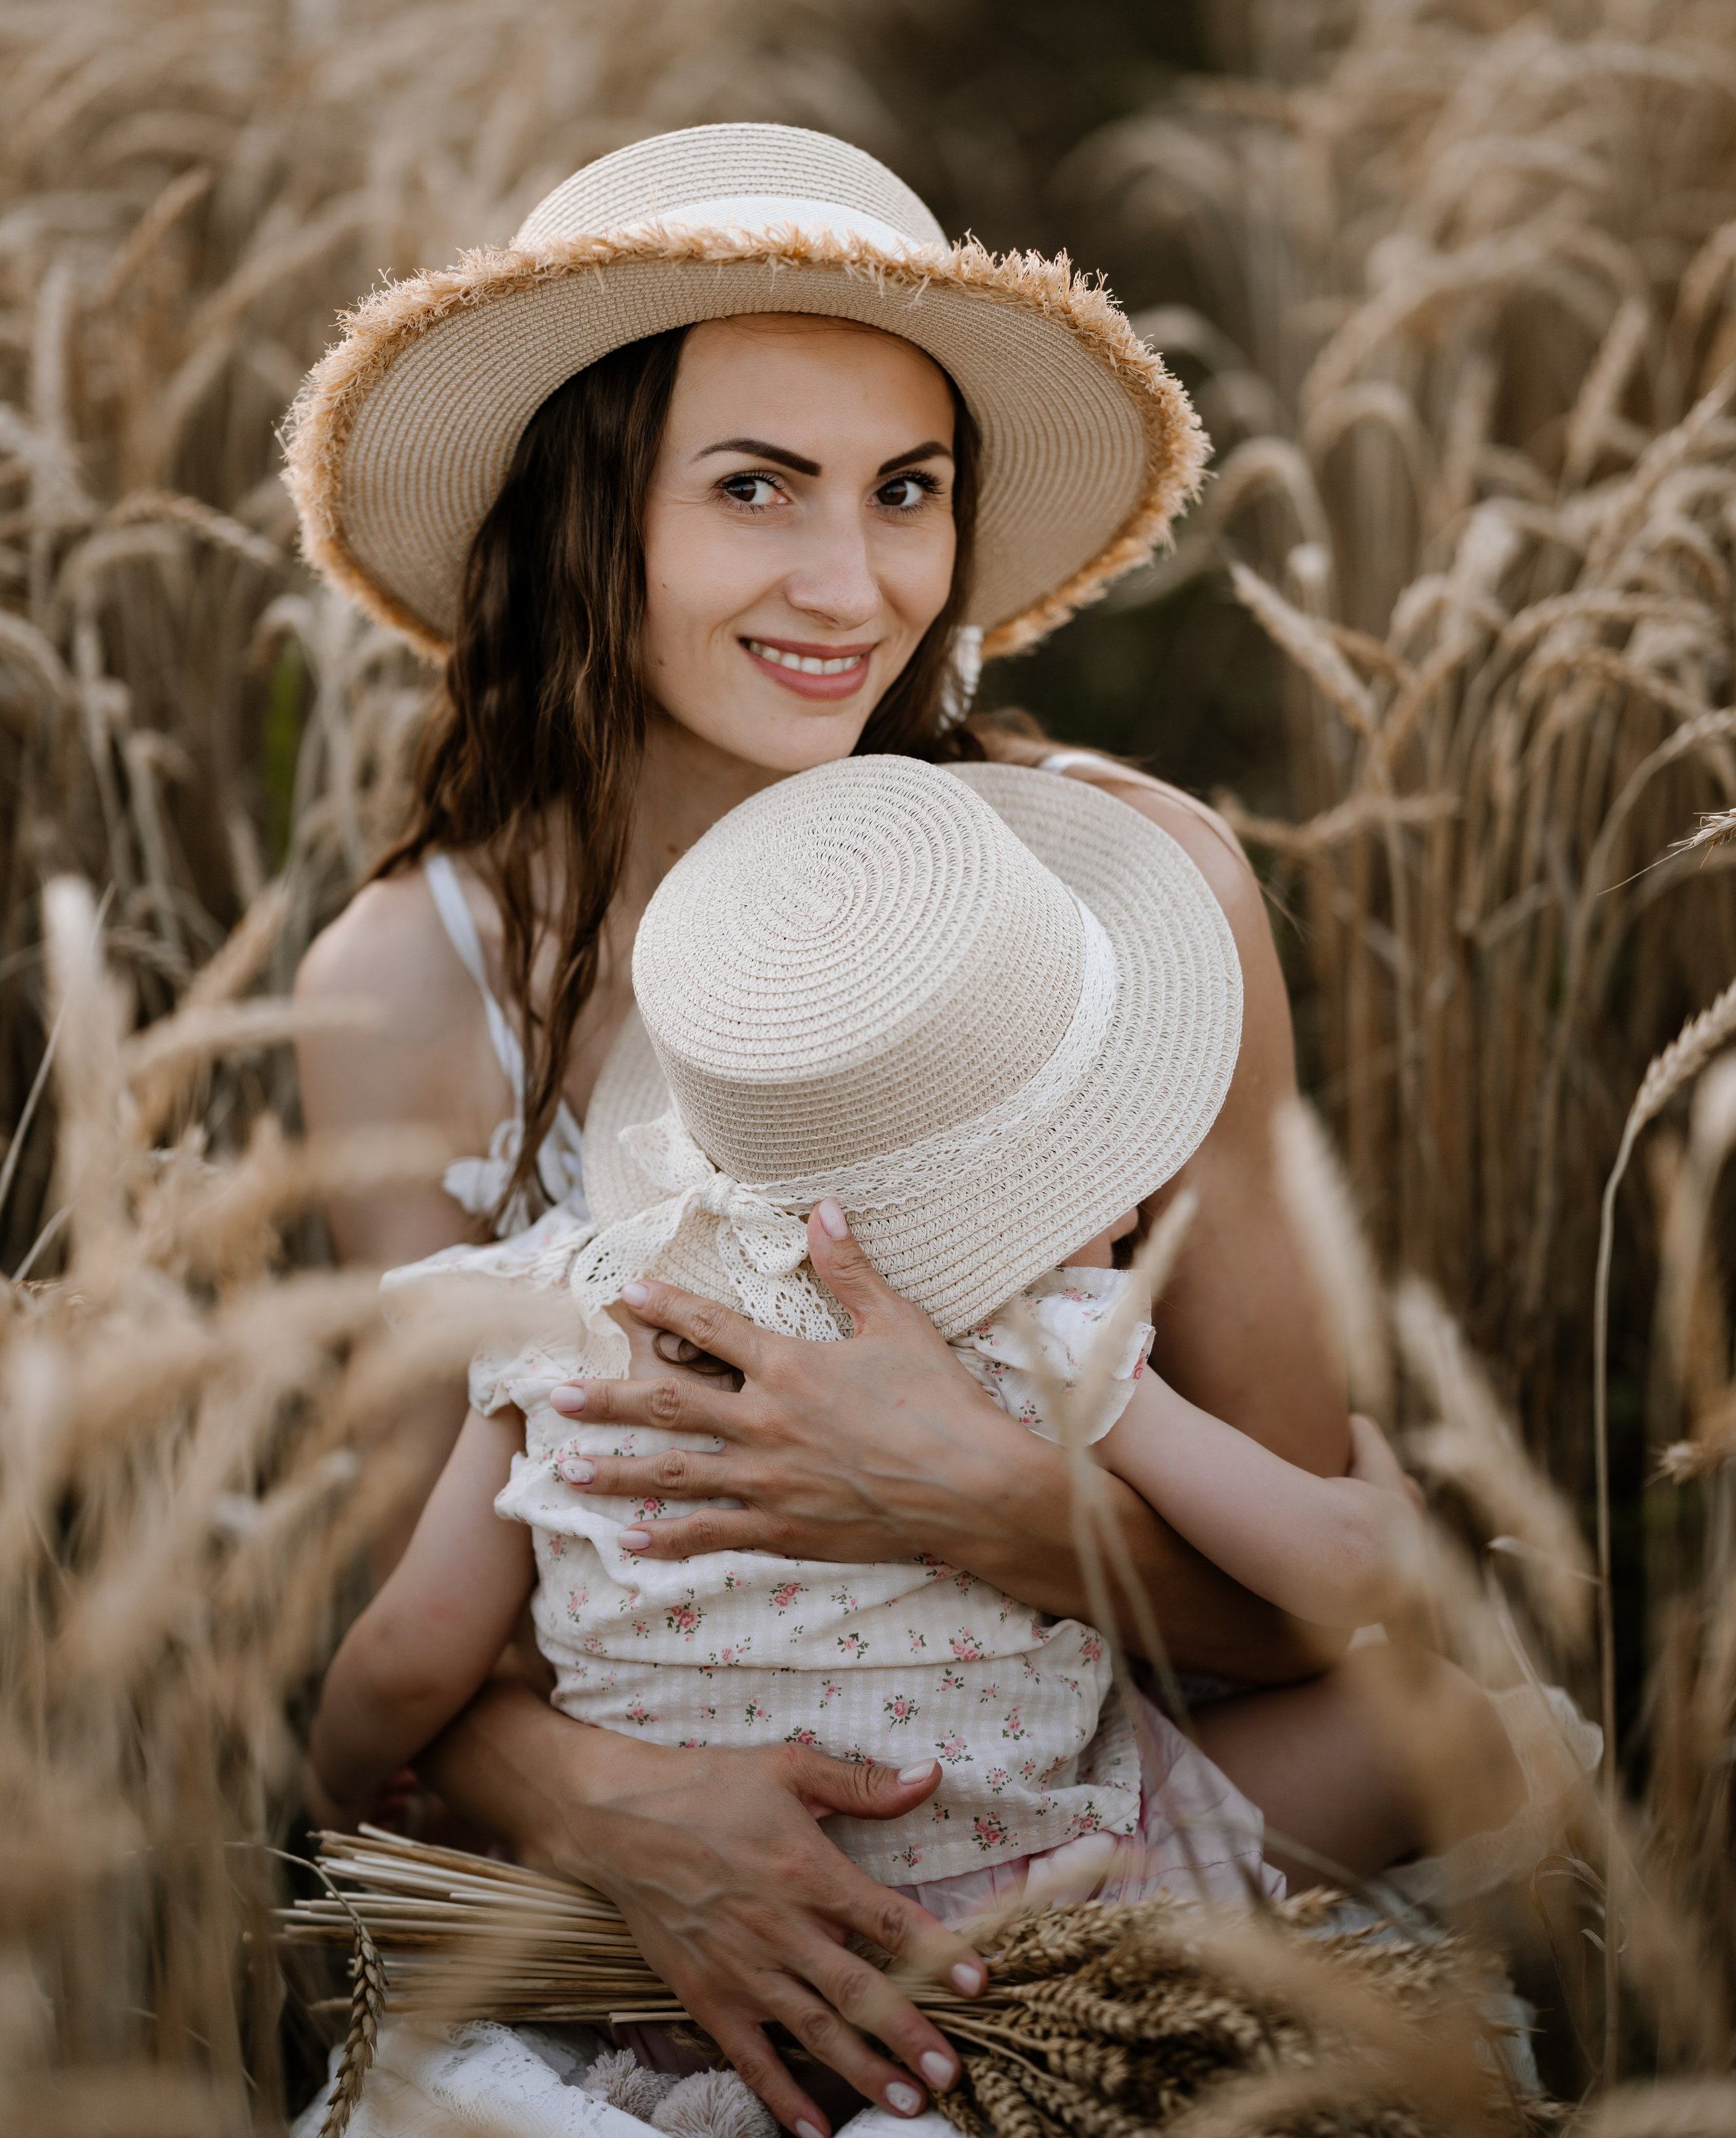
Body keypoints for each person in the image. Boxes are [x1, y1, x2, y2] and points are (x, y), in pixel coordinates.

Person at [287, 127, 1512, 2138]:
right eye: (753, 484)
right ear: (587, 516)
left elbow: (1317, 1627)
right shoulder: (415, 982)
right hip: (651, 1912)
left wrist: (993, 1504)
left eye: (906, 490)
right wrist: (619, 1800)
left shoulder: (1120, 912)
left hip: (1086, 1829)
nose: (851, 588)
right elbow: (428, 1658)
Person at [307, 758, 1455, 1981]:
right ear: (1014, 1201)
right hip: (1026, 1923)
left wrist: (335, 1804)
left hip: (661, 1966)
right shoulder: (1055, 1340)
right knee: (1453, 1727)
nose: (1134, 1195)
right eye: (1092, 1151)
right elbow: (1334, 1576)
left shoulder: (566, 1319)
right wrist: (1385, 1507)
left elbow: (413, 1651)